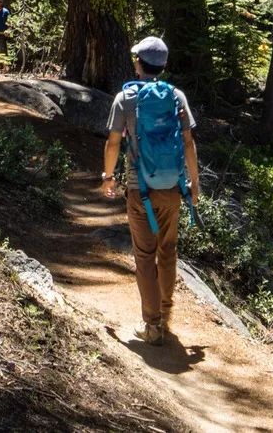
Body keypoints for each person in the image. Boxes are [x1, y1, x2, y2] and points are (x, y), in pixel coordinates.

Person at [101, 35, 200, 345]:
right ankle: (165, 314)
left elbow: (114, 141)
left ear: (138, 63)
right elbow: (188, 142)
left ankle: (152, 324)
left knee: (145, 256)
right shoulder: (177, 97)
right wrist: (195, 184)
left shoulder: (125, 98)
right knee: (168, 252)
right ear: (164, 65)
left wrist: (108, 175)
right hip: (173, 189)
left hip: (139, 189)